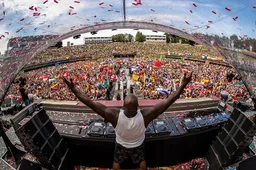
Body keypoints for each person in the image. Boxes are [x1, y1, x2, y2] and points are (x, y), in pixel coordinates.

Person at [63, 72, 193, 170]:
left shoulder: (113, 115)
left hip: (121, 145)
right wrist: (183, 84)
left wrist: (74, 89)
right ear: (138, 107)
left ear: (123, 106)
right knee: (141, 161)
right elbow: (169, 101)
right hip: (138, 145)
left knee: (116, 162)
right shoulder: (146, 115)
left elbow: (89, 102)